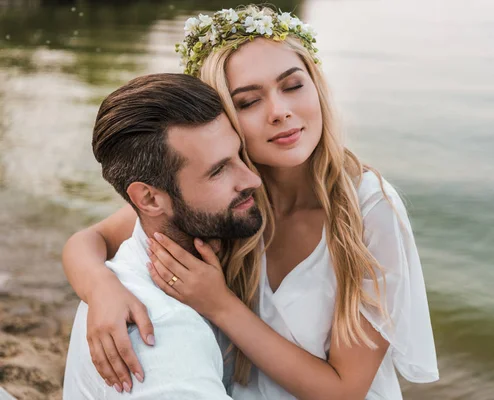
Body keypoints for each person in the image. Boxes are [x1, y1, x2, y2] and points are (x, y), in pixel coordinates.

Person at [62, 6, 439, 399]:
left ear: (317, 85)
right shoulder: (227, 199)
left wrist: (220, 305)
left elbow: (345, 391)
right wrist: (101, 288)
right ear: (223, 117)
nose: (281, 112)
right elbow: (88, 241)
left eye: (293, 86)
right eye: (248, 102)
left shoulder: (367, 210)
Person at [63, 73, 263, 398]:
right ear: (150, 199)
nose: (252, 178)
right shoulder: (161, 337)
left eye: (240, 155)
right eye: (218, 170)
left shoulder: (148, 237)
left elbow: (88, 239)